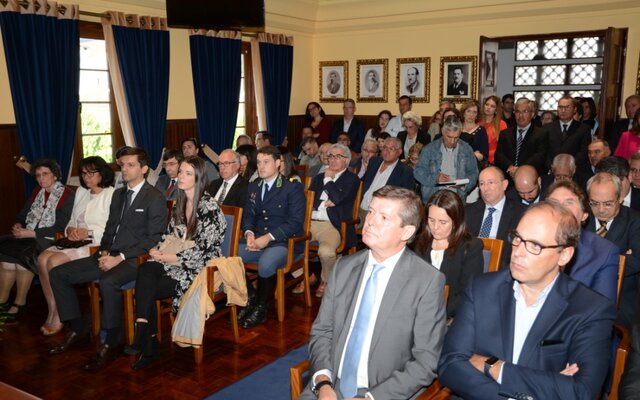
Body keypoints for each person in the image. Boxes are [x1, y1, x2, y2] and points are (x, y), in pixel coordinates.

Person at [438, 201, 616, 400]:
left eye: (535, 245)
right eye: (518, 239)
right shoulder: (481, 289)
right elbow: (450, 364)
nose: (518, 252)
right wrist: (544, 386)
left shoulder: (590, 309)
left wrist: (496, 367)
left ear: (564, 255)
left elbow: (580, 391)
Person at [299, 186, 446, 400]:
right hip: (330, 385)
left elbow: (425, 362)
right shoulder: (344, 267)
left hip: (383, 391)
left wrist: (371, 398)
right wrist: (323, 381)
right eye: (371, 212)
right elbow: (322, 331)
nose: (370, 221)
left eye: (384, 217)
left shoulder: (426, 281)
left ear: (406, 232)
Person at [48, 147, 167, 371]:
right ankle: (78, 328)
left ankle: (111, 342)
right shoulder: (119, 194)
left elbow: (153, 240)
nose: (124, 169)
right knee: (58, 273)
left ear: (144, 169)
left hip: (136, 259)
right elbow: (110, 229)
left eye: (130, 165)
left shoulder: (155, 197)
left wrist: (119, 257)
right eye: (122, 165)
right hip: (109, 254)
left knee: (108, 281)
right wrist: (104, 251)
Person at [125, 156, 226, 369]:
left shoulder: (209, 207)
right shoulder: (180, 203)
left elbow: (203, 252)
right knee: (146, 269)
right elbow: (169, 236)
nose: (181, 176)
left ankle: (148, 342)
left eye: (188, 173)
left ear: (198, 178)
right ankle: (143, 329)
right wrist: (156, 249)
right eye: (181, 171)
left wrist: (166, 257)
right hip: (174, 260)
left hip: (198, 268)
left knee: (147, 287)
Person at [36, 156, 114, 336]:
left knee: (53, 262)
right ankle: (53, 309)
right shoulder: (81, 192)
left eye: (91, 173)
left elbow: (112, 228)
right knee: (42, 259)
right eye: (84, 174)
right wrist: (70, 229)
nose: (86, 177)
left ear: (102, 173)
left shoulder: (111, 194)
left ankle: (59, 315)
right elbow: (72, 220)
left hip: (94, 243)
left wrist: (88, 233)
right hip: (74, 240)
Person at [237, 146, 305, 329]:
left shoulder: (292, 187)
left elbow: (295, 223)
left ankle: (261, 308)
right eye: (259, 162)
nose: (261, 166)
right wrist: (249, 234)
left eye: (266, 162)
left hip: (284, 242)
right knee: (228, 255)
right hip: (257, 239)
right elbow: (248, 216)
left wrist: (267, 238)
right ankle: (251, 299)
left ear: (278, 163)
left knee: (266, 263)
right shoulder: (254, 186)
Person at [0, 159, 74, 322]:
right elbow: (22, 214)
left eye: (45, 174)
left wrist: (33, 233)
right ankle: (2, 301)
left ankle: (20, 303)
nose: (41, 178)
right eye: (38, 175)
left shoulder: (67, 195)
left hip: (49, 239)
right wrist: (18, 225)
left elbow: (61, 226)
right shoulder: (37, 192)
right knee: (6, 260)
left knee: (22, 259)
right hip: (28, 235)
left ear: (55, 176)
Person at [413, 190, 483, 318]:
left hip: (451, 315)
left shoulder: (470, 247)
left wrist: (436, 314)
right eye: (431, 220)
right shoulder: (418, 243)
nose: (435, 227)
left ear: (456, 221)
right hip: (418, 312)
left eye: (443, 222)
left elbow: (468, 293)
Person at [546, 179, 618, 302]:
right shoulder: (528, 241)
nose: (560, 208)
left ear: (584, 215)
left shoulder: (603, 253)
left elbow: (602, 307)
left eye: (568, 203)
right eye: (554, 203)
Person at [586, 172, 640, 329]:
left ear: (620, 198)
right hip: (582, 293)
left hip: (621, 297)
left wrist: (590, 260)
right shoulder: (581, 219)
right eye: (594, 203)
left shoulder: (635, 221)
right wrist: (621, 257)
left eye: (608, 204)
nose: (601, 210)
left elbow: (636, 261)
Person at [305, 144, 359, 298]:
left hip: (332, 226)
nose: (333, 160)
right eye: (330, 156)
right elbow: (308, 200)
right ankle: (306, 276)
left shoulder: (351, 179)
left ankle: (326, 280)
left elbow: (338, 198)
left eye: (338, 156)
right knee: (286, 244)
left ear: (347, 160)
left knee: (326, 252)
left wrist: (328, 180)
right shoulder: (318, 178)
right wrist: (325, 202)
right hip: (310, 223)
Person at [465, 166, 526, 268]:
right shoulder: (468, 212)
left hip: (504, 268)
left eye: (491, 182)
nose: (486, 188)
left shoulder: (521, 213)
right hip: (471, 266)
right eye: (482, 184)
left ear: (504, 185)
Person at [414, 116, 478, 203]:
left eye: (456, 137)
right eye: (449, 137)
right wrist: (435, 178)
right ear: (442, 132)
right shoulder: (430, 149)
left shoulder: (466, 149)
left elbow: (474, 173)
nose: (452, 141)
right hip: (433, 197)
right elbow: (418, 172)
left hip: (457, 198)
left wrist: (463, 184)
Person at [359, 137, 416, 222]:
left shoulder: (405, 171)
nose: (387, 151)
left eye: (391, 149)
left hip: (382, 216)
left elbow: (406, 199)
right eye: (385, 147)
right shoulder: (374, 162)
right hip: (361, 209)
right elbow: (363, 182)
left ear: (399, 152)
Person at [494, 98, 549, 178]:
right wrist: (510, 167)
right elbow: (499, 155)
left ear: (532, 114)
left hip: (530, 176)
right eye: (517, 111)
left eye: (524, 111)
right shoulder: (505, 134)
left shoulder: (541, 134)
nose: (520, 115)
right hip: (508, 176)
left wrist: (520, 169)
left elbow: (540, 156)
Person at [546, 96, 592, 170]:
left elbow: (584, 152)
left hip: (574, 169)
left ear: (574, 110)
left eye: (567, 107)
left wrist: (568, 166)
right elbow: (544, 151)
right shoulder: (547, 128)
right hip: (551, 169)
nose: (563, 110)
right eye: (560, 107)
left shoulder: (583, 129)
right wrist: (553, 166)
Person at [460, 100, 490, 167]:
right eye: (468, 111)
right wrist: (473, 154)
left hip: (475, 167)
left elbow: (484, 155)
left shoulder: (481, 131)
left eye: (474, 112)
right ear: (463, 113)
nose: (471, 115)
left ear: (477, 115)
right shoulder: (456, 129)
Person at [483, 95, 507, 165]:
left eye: (492, 106)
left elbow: (505, 146)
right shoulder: (477, 123)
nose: (488, 107)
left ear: (496, 110)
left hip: (495, 161)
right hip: (479, 160)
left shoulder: (501, 124)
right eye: (487, 104)